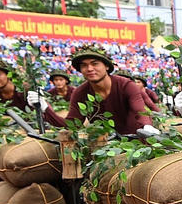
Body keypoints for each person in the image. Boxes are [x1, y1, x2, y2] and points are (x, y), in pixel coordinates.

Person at [31, 46, 160, 137]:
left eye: (95, 63)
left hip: (137, 140)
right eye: (84, 65)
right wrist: (44, 107)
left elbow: (140, 109)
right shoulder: (80, 93)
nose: (90, 68)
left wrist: (147, 126)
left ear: (107, 66)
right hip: (105, 145)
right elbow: (73, 125)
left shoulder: (126, 85)